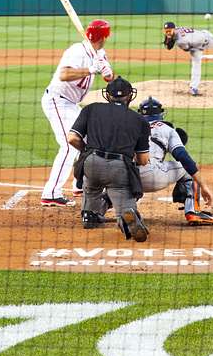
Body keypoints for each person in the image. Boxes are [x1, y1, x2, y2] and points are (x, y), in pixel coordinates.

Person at [40, 19, 114, 207]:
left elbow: (109, 78)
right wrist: (90, 69)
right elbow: (64, 75)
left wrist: (106, 71)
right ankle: (51, 193)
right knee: (69, 145)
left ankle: (79, 183)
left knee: (91, 140)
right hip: (57, 100)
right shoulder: (76, 51)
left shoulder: (99, 53)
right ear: (104, 36)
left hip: (72, 104)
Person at [67, 77, 151, 241]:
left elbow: (72, 138)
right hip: (119, 167)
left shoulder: (91, 109)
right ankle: (126, 218)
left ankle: (89, 216)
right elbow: (143, 159)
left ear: (107, 95)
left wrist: (87, 152)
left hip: (92, 163)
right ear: (129, 96)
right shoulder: (139, 120)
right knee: (122, 195)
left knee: (91, 186)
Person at [136, 97, 213, 225]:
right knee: (187, 167)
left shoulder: (130, 127)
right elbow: (183, 157)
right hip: (153, 177)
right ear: (161, 114)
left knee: (117, 177)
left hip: (129, 180)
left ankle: (97, 210)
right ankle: (193, 211)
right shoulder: (167, 129)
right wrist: (204, 185)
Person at [162, 16, 213, 96]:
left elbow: (187, 49)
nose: (168, 33)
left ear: (174, 29)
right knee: (196, 64)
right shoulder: (176, 30)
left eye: (169, 31)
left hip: (206, 39)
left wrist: (170, 40)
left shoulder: (181, 41)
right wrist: (168, 38)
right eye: (166, 31)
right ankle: (193, 87)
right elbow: (169, 44)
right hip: (196, 44)